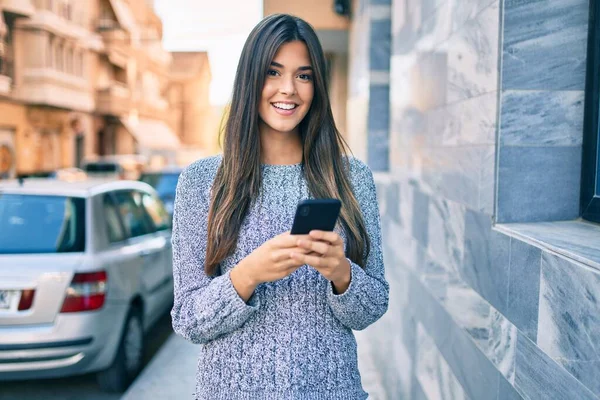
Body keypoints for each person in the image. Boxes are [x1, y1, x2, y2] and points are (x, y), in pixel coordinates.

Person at [171, 13, 389, 400]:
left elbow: (372, 308)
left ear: (317, 86)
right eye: (273, 72)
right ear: (250, 80)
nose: (288, 89)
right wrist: (248, 274)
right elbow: (188, 320)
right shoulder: (202, 181)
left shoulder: (352, 177)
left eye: (303, 76)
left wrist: (341, 272)